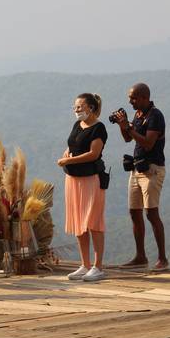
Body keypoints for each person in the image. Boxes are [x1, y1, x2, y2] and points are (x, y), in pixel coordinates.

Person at [111, 82, 168, 270]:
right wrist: (123, 125)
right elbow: (128, 139)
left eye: (133, 98)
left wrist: (129, 128)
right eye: (130, 98)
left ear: (144, 97)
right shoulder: (138, 115)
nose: (130, 101)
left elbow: (148, 143)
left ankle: (162, 259)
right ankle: (140, 257)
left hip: (152, 170)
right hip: (137, 169)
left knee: (151, 213)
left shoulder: (155, 116)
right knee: (134, 212)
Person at [57, 93, 107, 282]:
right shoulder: (77, 125)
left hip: (90, 179)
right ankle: (84, 264)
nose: (76, 110)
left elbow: (93, 154)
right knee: (79, 223)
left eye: (80, 107)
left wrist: (68, 160)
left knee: (93, 222)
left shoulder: (99, 128)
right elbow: (73, 145)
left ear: (91, 108)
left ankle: (98, 266)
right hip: (73, 180)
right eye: (75, 107)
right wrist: (67, 154)